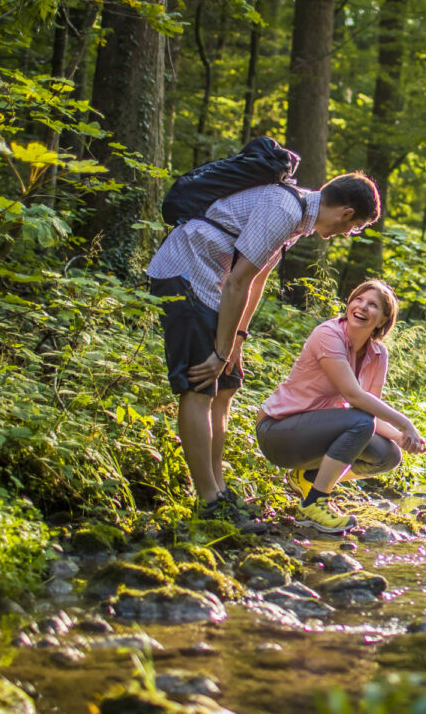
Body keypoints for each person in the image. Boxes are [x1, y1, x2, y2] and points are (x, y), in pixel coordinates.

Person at [147, 170, 380, 526]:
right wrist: (220, 352)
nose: (345, 234)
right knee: (199, 389)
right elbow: (238, 281)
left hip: (213, 286)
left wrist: (236, 341)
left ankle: (220, 490)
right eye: (353, 228)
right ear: (346, 213)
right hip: (186, 275)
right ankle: (209, 501)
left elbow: (257, 280)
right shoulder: (284, 210)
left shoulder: (298, 217)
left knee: (226, 386)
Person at [255, 278, 426, 533]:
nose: (362, 307)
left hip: (317, 434)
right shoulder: (328, 334)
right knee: (360, 422)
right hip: (278, 432)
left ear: (382, 320)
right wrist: (406, 423)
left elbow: (370, 409)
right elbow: (355, 397)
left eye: (373, 305)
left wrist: (400, 437)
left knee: (388, 455)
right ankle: (314, 504)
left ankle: (308, 478)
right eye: (358, 300)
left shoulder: (378, 354)